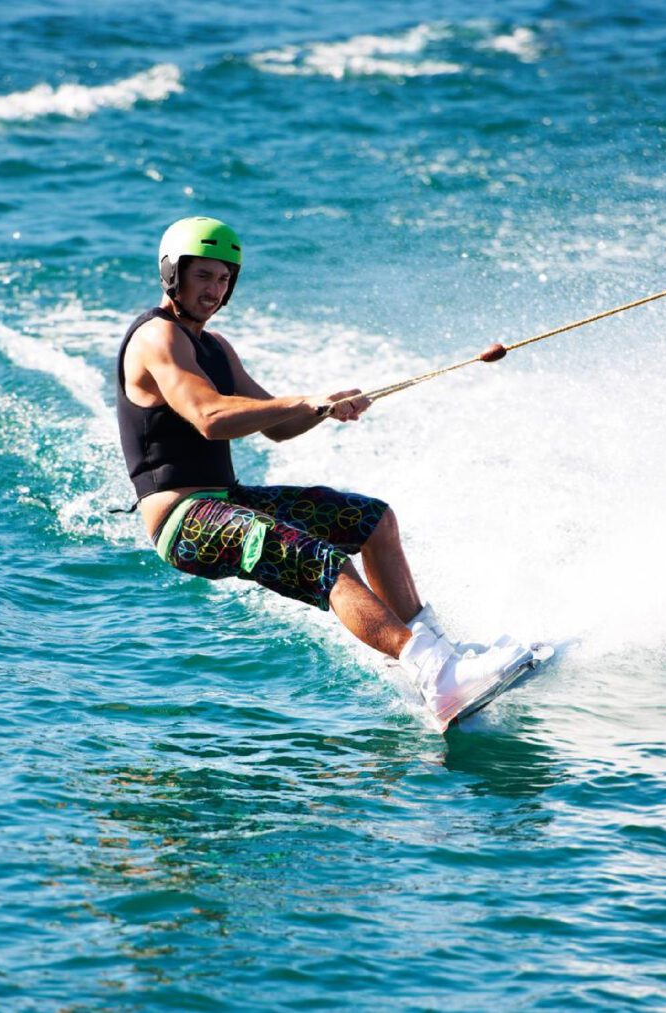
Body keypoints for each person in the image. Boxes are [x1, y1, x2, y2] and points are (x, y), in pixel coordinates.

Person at [115, 216, 533, 728]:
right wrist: (304, 400)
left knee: (371, 520)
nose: (215, 289)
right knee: (318, 557)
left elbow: (277, 427)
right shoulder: (157, 339)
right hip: (183, 519)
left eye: (225, 279)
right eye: (203, 276)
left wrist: (327, 407)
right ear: (172, 275)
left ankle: (439, 661)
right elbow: (210, 418)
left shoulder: (216, 346)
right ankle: (436, 675)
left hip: (227, 500)